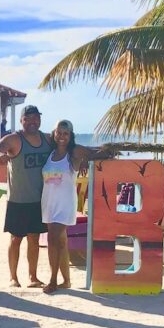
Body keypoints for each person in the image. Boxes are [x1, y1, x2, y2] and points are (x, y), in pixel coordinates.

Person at [0, 105, 54, 287]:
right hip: (18, 199)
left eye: (36, 118)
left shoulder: (48, 139)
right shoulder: (14, 139)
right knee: (16, 238)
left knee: (34, 238)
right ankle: (13, 277)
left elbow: (68, 147)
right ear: (22, 120)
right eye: (28, 118)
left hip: (40, 199)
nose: (33, 122)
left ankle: (33, 277)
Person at [41, 120, 105, 294]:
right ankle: (67, 281)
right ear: (54, 134)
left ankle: (53, 281)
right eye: (59, 133)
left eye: (65, 133)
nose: (62, 136)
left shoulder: (74, 152)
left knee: (53, 239)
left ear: (71, 136)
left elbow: (96, 153)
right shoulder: (50, 152)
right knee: (60, 242)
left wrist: (85, 161)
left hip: (65, 203)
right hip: (49, 202)